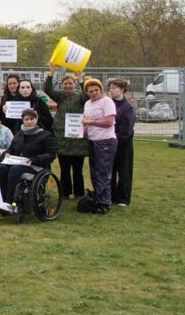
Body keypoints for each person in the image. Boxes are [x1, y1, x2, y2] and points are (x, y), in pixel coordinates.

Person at [0, 109, 57, 209]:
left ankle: (10, 203)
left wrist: (35, 159)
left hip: (36, 166)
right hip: (18, 163)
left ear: (37, 119)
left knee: (15, 170)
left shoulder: (45, 135)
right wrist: (6, 154)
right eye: (26, 119)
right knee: (1, 168)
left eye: (32, 119)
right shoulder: (19, 134)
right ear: (22, 120)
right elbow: (11, 149)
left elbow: (51, 154)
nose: (29, 122)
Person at [44, 65, 89, 200]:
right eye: (65, 84)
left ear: (74, 85)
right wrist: (51, 73)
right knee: (64, 169)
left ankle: (79, 193)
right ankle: (65, 192)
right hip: (62, 139)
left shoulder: (80, 97)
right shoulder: (60, 97)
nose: (68, 86)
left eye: (70, 83)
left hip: (78, 140)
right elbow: (47, 89)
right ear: (62, 85)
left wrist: (81, 80)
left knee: (77, 169)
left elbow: (87, 94)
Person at [82, 78, 116, 213]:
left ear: (101, 90)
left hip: (105, 140)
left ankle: (104, 203)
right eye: (91, 91)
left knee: (103, 172)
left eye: (96, 90)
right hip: (92, 140)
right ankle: (97, 197)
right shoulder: (87, 103)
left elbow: (109, 122)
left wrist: (91, 122)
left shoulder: (107, 102)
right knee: (94, 172)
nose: (94, 93)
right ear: (87, 92)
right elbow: (86, 123)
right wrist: (81, 131)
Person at [108, 78, 136, 207]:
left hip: (123, 144)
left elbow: (126, 129)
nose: (111, 90)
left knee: (124, 170)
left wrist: (114, 139)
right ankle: (110, 195)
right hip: (110, 142)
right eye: (110, 88)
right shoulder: (109, 104)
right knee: (110, 170)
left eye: (114, 88)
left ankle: (123, 198)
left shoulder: (127, 107)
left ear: (122, 89)